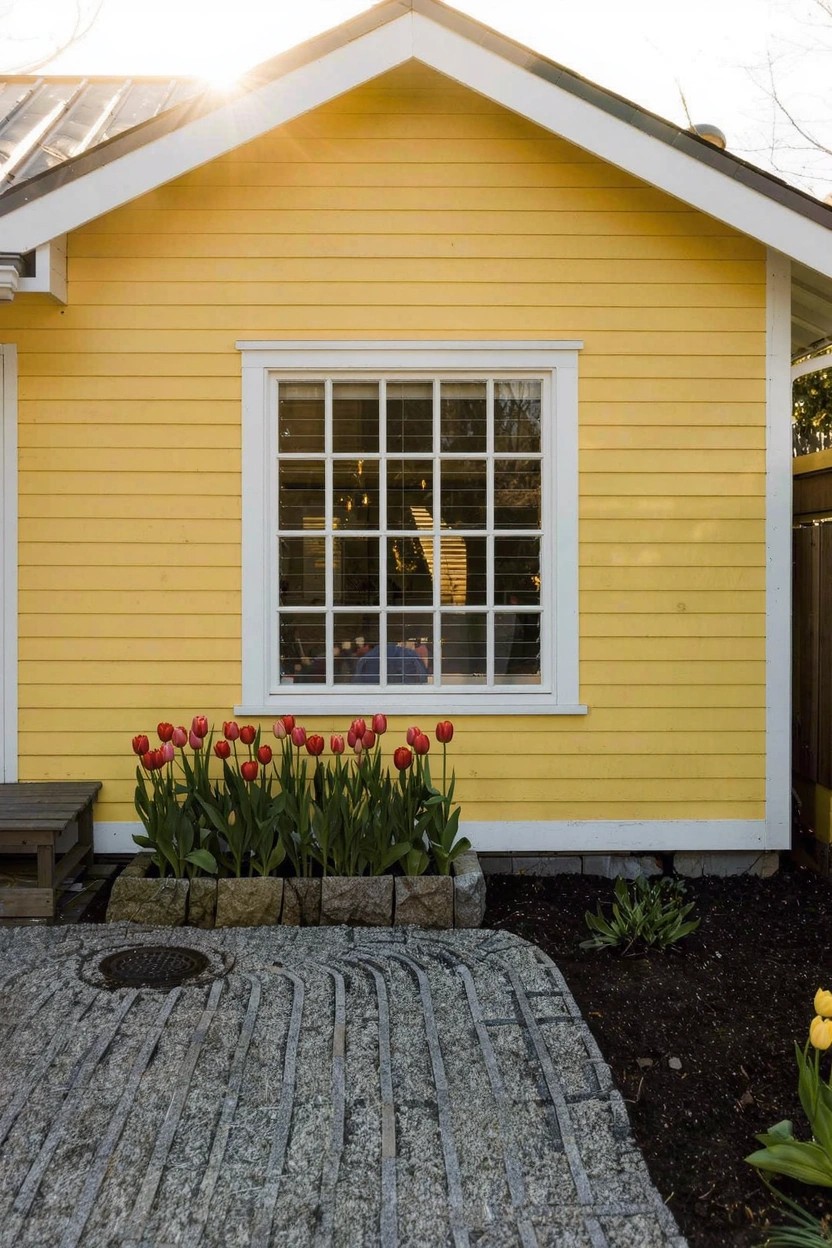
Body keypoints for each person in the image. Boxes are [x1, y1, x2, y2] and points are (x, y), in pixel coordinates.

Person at [352, 643, 428, 684]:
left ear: (367, 645)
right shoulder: (409, 654)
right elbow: (422, 678)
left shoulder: (367, 659)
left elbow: (357, 683)